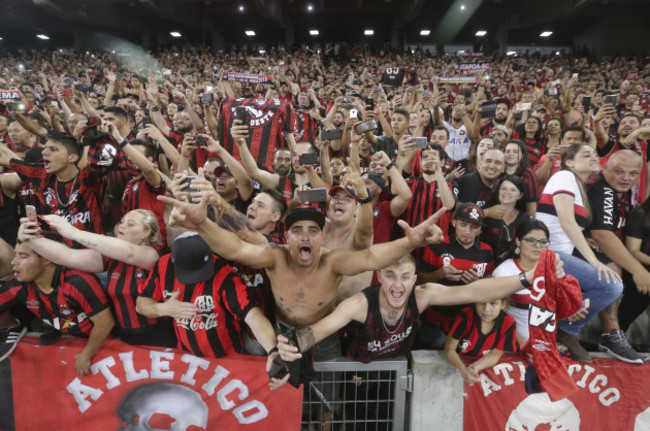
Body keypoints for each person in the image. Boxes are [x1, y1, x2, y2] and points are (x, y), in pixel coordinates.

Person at [275, 253, 562, 364]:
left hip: (397, 366)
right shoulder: (361, 304)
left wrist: (526, 277)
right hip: (360, 370)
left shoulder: (421, 296)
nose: (397, 285)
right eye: (389, 276)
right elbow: (322, 328)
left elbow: (475, 290)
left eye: (404, 277)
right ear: (380, 277)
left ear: (414, 280)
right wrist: (288, 347)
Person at [17, 210, 176, 347]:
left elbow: (130, 253)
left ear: (146, 233)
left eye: (130, 224)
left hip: (160, 338)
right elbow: (67, 256)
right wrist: (30, 239)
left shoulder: (155, 254)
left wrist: (73, 232)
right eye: (122, 222)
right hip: (126, 337)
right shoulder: (111, 259)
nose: (122, 226)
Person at [535, 143, 623, 363]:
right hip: (548, 255)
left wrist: (585, 239)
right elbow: (566, 222)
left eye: (595, 154)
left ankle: (564, 327)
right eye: (586, 154)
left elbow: (559, 221)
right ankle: (567, 329)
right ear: (569, 162)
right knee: (612, 285)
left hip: (559, 255)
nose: (594, 157)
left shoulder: (575, 184)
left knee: (609, 284)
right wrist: (595, 263)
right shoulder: (564, 175)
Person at [0, 236, 114, 375]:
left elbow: (105, 324)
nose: (13, 262)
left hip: (108, 342)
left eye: (23, 256)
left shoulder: (77, 281)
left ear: (47, 259)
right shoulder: (18, 285)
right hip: (71, 340)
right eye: (15, 255)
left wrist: (86, 355)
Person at [585, 149, 648, 364]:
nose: (625, 178)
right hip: (572, 251)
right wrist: (637, 270)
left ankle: (620, 329)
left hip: (596, 248)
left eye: (632, 174)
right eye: (619, 171)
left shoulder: (620, 193)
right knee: (612, 269)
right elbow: (602, 235)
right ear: (605, 168)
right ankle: (611, 334)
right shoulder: (603, 190)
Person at [492, 219, 551, 341]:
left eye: (543, 241)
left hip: (547, 342)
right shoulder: (504, 272)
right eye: (531, 240)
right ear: (518, 241)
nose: (538, 246)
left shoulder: (553, 268)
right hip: (514, 344)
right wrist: (523, 344)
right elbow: (497, 316)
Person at [444, 297, 517, 385]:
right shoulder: (465, 316)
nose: (486, 309)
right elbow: (449, 349)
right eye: (481, 302)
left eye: (493, 303)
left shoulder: (508, 323)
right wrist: (464, 370)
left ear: (503, 304)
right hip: (458, 360)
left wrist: (474, 368)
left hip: (480, 362)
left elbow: (495, 354)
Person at [481, 175, 529, 261]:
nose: (507, 192)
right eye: (503, 188)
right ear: (498, 191)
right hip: (484, 262)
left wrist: (509, 254)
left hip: (511, 265)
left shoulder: (524, 219)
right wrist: (486, 213)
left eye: (513, 190)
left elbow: (526, 245)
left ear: (520, 195)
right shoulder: (488, 213)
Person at [503, 139, 538, 217]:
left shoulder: (528, 174)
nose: (510, 154)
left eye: (515, 151)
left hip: (520, 220)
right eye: (507, 151)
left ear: (522, 155)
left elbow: (531, 207)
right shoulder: (499, 173)